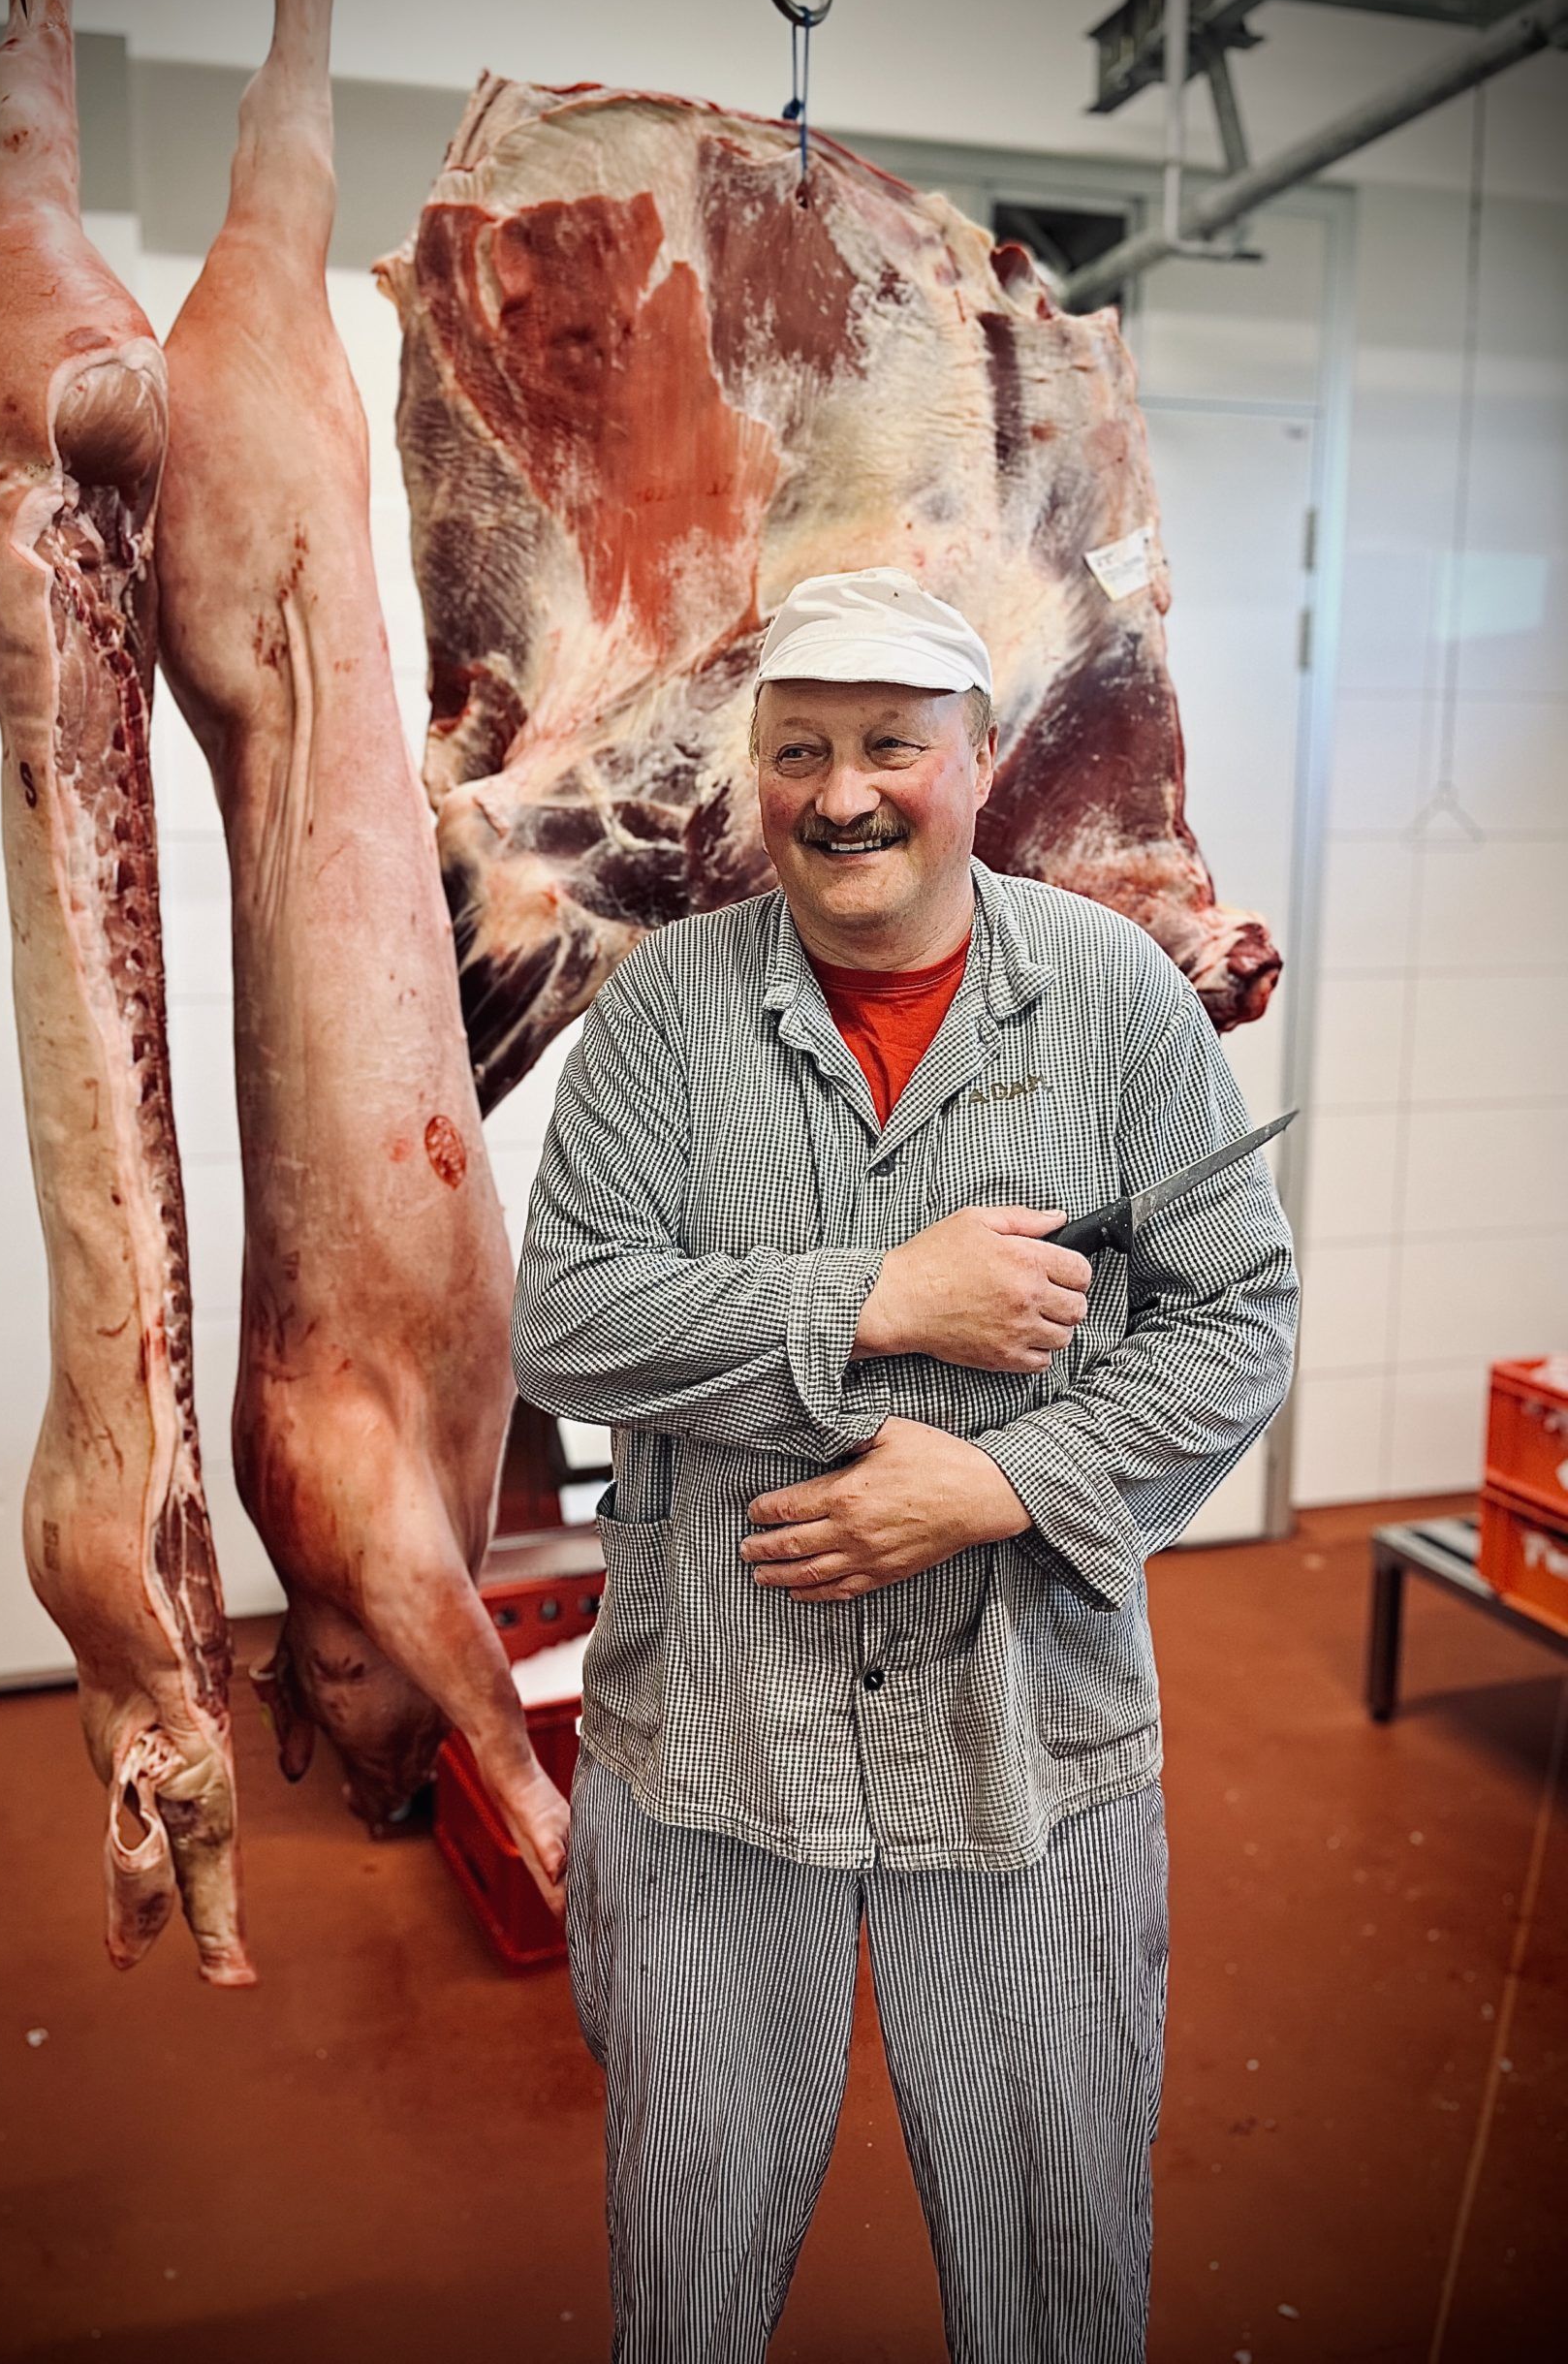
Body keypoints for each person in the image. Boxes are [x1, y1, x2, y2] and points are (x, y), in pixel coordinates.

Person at [511, 567, 1300, 2364]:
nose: (842, 793)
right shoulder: (665, 1013)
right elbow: (564, 1322)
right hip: (714, 1737)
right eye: (798, 751)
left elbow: (1238, 1315)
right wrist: (879, 1299)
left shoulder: (1113, 1001)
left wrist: (1004, 1485)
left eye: (889, 746)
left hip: (1029, 1743)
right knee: (688, 2254)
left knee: (1056, 2258)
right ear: (757, 774)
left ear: (984, 757)